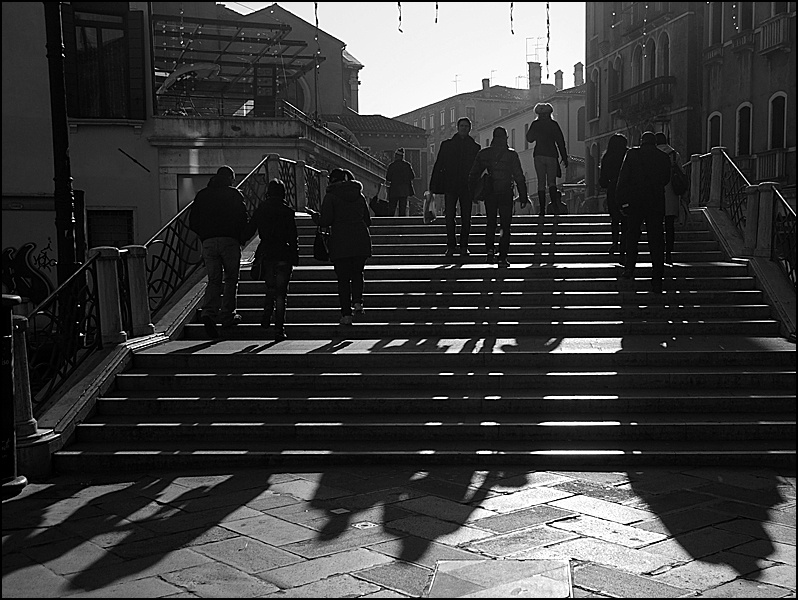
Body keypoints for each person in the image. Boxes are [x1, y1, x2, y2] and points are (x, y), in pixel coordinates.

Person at [189, 165, 250, 339]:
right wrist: (241, 238)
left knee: (214, 280)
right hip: (230, 241)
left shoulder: (202, 195)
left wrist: (204, 235)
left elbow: (193, 221)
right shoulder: (234, 194)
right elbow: (243, 218)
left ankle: (208, 312)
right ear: (231, 179)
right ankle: (227, 315)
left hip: (208, 242)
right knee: (231, 279)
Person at [307, 168, 372, 326]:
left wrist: (315, 217)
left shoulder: (331, 197)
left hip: (340, 242)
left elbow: (326, 221)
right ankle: (358, 302)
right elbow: (368, 220)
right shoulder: (360, 195)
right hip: (361, 240)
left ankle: (346, 315)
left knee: (343, 279)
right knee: (358, 272)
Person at [242, 178, 299, 341]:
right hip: (283, 252)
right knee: (281, 293)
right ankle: (279, 330)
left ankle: (267, 311)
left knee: (270, 286)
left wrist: (241, 238)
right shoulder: (287, 211)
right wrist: (295, 256)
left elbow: (251, 228)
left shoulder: (262, 209)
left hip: (266, 252)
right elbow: (293, 236)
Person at [616, 131, 671, 294]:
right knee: (657, 239)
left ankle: (629, 268)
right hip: (655, 201)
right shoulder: (663, 157)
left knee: (633, 234)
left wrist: (621, 202)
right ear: (654, 143)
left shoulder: (632, 154)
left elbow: (623, 179)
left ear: (642, 142)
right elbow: (666, 179)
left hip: (635, 201)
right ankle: (657, 279)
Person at [468, 126, 528, 267]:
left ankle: (489, 251)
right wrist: (523, 196)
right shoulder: (511, 155)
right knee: (505, 226)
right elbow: (519, 177)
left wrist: (472, 193)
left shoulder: (484, 154)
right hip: (506, 192)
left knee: (491, 222)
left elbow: (473, 174)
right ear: (506, 138)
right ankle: (502, 256)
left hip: (490, 192)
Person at [429, 117, 481, 257]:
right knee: (449, 216)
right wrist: (433, 186)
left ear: (469, 128)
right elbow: (438, 165)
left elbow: (478, 170)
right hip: (451, 186)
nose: (464, 128)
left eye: (466, 126)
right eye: (462, 126)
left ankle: (464, 246)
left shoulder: (475, 148)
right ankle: (451, 245)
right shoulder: (447, 145)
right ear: (457, 128)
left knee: (466, 217)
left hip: (466, 186)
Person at [525, 102, 569, 216]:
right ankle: (554, 206)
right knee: (552, 182)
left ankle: (542, 210)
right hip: (551, 155)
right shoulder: (554, 124)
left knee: (541, 182)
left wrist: (536, 130)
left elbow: (529, 139)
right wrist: (564, 157)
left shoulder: (535, 124)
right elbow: (560, 141)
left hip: (538, 154)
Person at [599, 132, 629, 264]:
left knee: (615, 219)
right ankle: (624, 248)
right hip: (626, 188)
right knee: (626, 220)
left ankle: (615, 242)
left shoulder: (607, 157)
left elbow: (603, 181)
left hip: (612, 189)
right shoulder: (628, 155)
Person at [655, 132, 683, 265]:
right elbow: (682, 173)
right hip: (671, 194)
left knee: (657, 226)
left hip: (655, 194)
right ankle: (669, 253)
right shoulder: (674, 155)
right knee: (670, 226)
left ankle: (658, 252)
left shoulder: (652, 155)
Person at [385, 148, 416, 217]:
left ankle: (390, 223)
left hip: (394, 190)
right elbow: (412, 176)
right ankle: (402, 222)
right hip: (404, 190)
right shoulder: (407, 165)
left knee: (392, 208)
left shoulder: (392, 166)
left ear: (396, 156)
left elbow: (388, 178)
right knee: (403, 208)